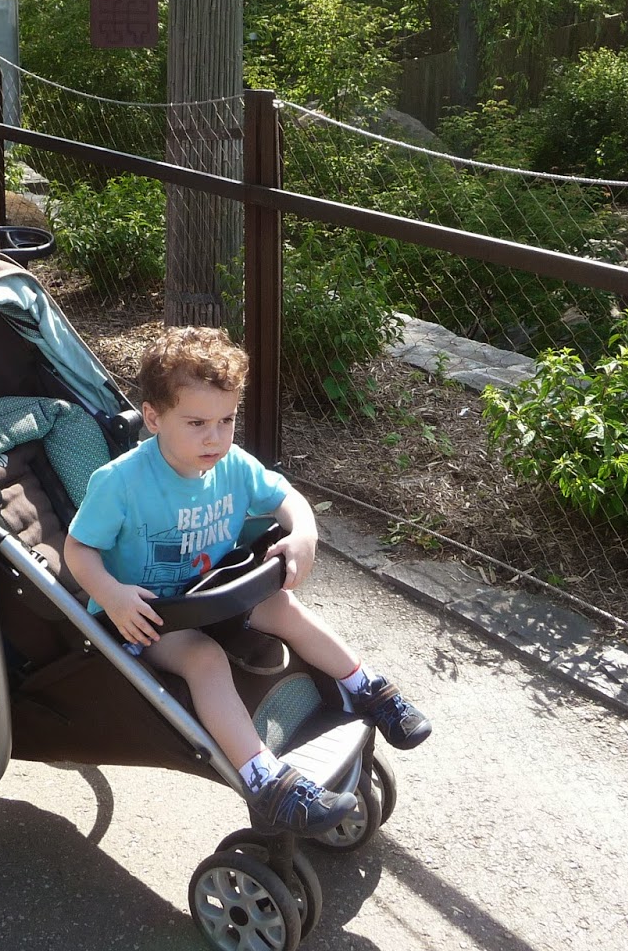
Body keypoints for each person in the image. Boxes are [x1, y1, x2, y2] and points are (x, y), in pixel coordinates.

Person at [63, 327, 433, 836]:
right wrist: (110, 594)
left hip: (213, 592)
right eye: (196, 423)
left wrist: (304, 532)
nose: (215, 437)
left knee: (282, 607)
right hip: (149, 617)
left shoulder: (232, 465)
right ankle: (263, 777)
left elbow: (287, 499)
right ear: (153, 418)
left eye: (226, 420)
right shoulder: (121, 483)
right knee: (204, 659)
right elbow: (77, 549)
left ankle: (367, 689)